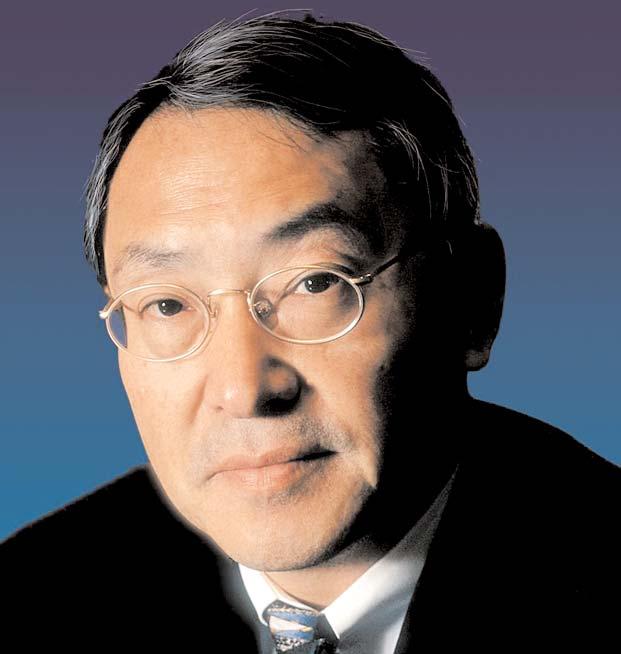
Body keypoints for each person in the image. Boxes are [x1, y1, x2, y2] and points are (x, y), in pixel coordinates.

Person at [1, 13, 618, 651]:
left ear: (472, 299)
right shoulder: (34, 598)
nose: (245, 390)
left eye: (315, 283)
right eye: (166, 304)